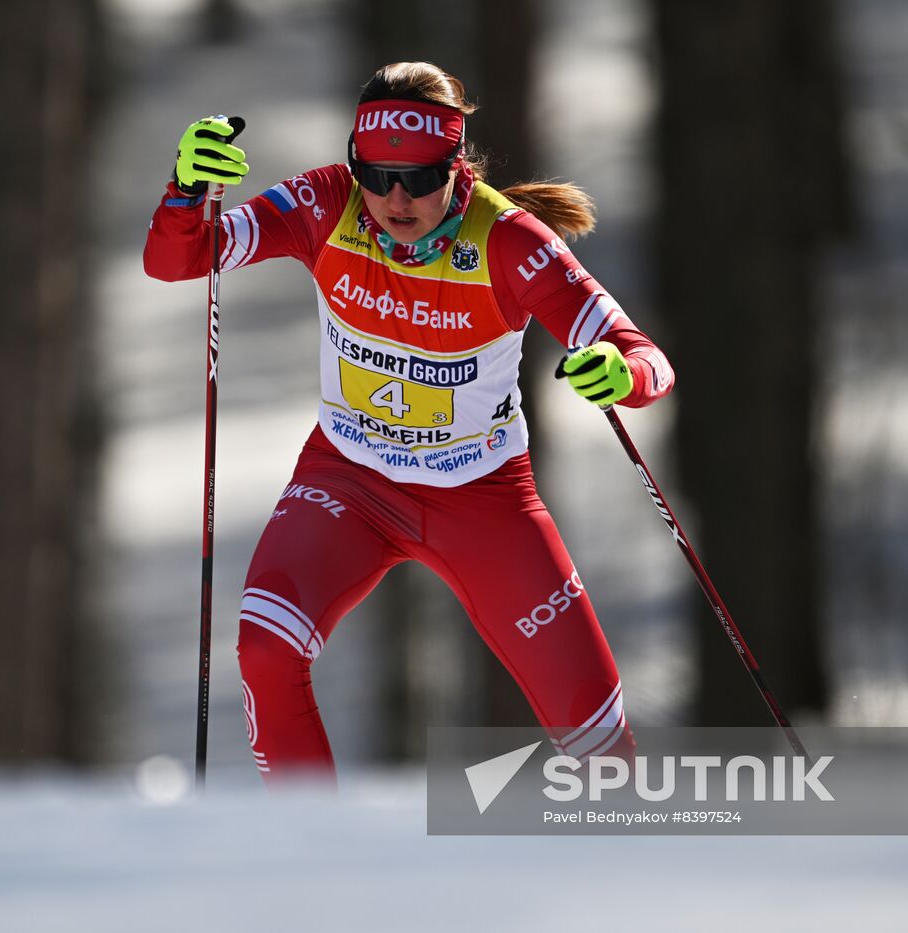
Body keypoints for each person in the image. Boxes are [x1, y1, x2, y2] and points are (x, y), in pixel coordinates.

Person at [144, 62, 675, 787]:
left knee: (599, 744)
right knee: (267, 645)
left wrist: (623, 374)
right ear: (355, 162)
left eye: (421, 179)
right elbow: (179, 260)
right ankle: (314, 852)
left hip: (483, 498)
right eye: (378, 173)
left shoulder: (507, 240)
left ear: (456, 169)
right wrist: (185, 192)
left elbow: (641, 354)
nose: (396, 198)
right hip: (349, 480)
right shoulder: (325, 202)